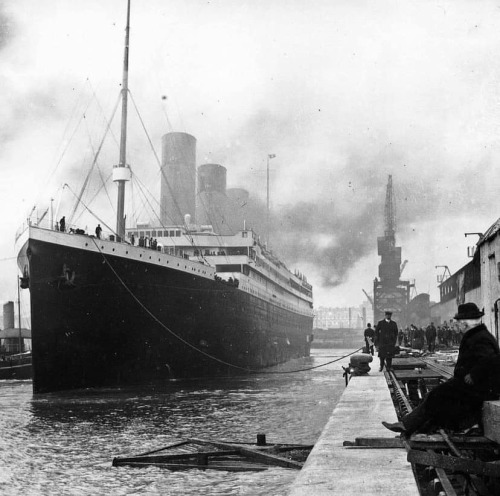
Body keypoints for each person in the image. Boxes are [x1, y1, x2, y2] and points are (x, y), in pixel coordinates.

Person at [382, 302, 500, 435]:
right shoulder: (477, 335)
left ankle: (409, 426)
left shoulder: (479, 337)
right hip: (474, 386)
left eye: (459, 322)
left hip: (479, 388)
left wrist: (473, 375)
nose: (457, 325)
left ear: (467, 322)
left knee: (436, 396)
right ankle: (413, 428)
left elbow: (492, 360)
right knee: (437, 397)